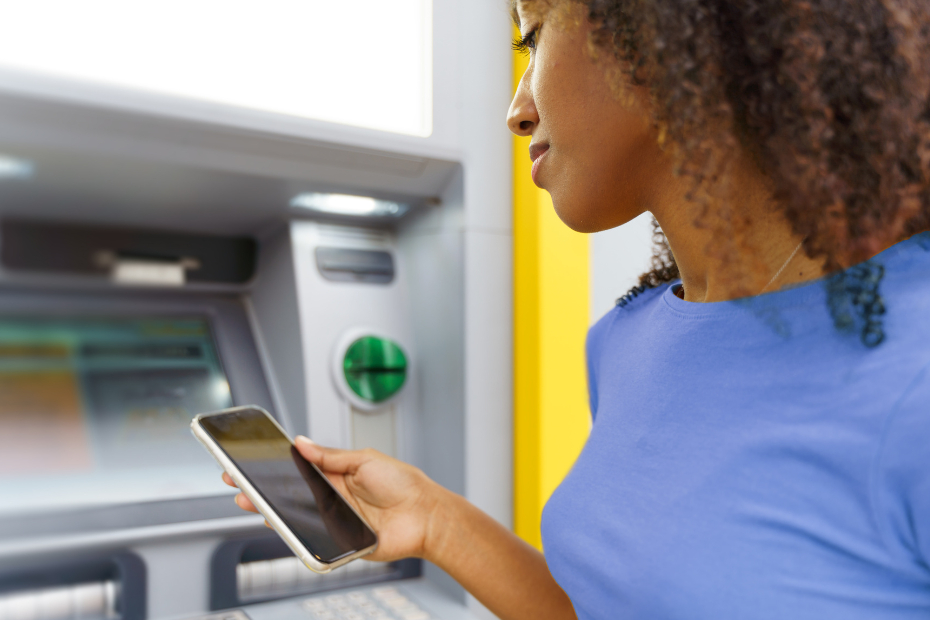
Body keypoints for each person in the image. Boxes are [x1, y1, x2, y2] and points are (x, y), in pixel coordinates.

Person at [227, 0, 930, 617]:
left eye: (531, 39)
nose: (517, 108)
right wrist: (435, 520)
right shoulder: (628, 340)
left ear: (657, 28)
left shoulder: (914, 365)